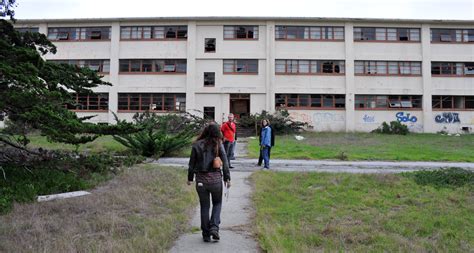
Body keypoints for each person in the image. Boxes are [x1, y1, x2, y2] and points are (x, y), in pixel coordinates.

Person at [187, 123, 231, 242]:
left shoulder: (196, 145)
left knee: (204, 206)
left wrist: (190, 178)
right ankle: (214, 228)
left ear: (205, 131)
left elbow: (191, 164)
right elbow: (225, 162)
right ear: (217, 132)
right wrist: (227, 178)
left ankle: (206, 234)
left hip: (201, 181)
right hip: (216, 181)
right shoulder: (218, 144)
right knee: (217, 204)